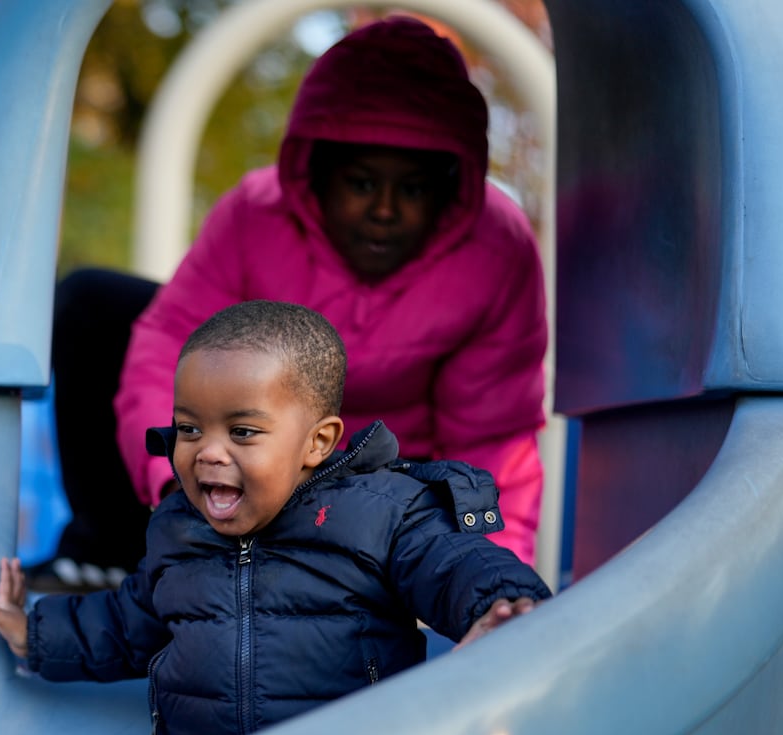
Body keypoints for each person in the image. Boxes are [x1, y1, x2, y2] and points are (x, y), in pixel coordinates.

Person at [34, 16, 547, 592]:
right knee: (95, 304)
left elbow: (492, 441)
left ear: (452, 188)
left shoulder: (495, 251)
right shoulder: (254, 214)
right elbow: (167, 349)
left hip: (380, 495)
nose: (384, 209)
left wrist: (489, 585)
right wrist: (180, 485)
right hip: (242, 463)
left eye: (413, 189)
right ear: (319, 173)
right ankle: (115, 557)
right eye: (360, 183)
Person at [0, 300, 551, 735]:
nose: (208, 453)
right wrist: (35, 634)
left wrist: (501, 602)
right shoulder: (180, 530)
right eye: (189, 429)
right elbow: (128, 625)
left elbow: (451, 561)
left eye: (243, 432)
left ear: (317, 442)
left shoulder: (379, 512)